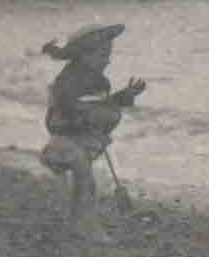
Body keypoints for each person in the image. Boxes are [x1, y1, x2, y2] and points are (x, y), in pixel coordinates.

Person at [39, 23, 146, 239]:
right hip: (63, 141)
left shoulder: (98, 81)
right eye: (103, 54)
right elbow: (63, 110)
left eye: (108, 54)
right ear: (83, 56)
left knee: (84, 182)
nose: (108, 60)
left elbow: (104, 104)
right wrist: (86, 118)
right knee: (85, 181)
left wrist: (126, 95)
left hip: (80, 141)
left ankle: (77, 222)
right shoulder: (68, 81)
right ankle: (87, 226)